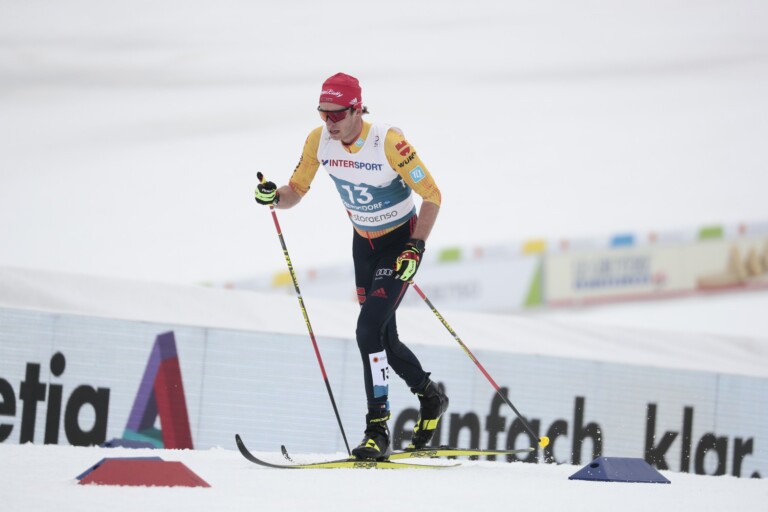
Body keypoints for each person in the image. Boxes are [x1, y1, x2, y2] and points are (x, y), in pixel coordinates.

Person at [254, 72, 448, 460]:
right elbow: (296, 191)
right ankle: (430, 397)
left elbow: (432, 195)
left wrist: (416, 248)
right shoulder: (318, 141)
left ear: (357, 109)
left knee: (366, 330)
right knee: (383, 339)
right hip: (364, 246)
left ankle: (377, 428)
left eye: (337, 114)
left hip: (400, 245)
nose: (329, 122)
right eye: (323, 113)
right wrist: (274, 196)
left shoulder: (388, 143)